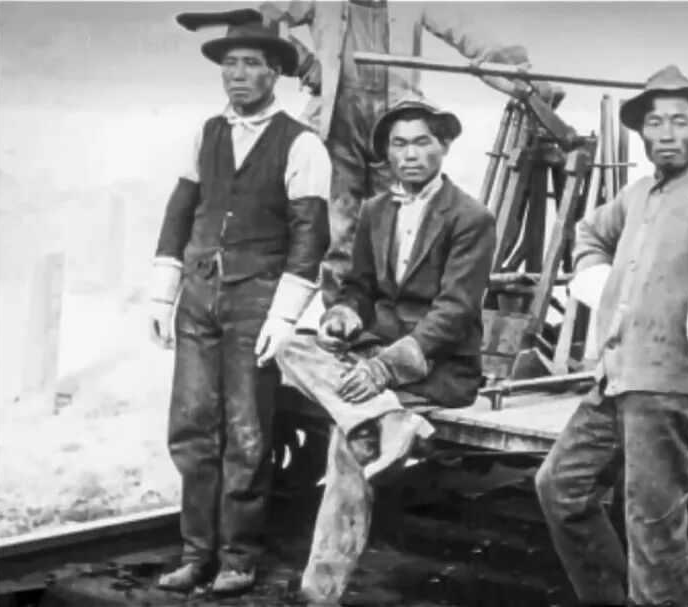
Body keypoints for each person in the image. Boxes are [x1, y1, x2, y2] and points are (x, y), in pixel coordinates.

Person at [534, 65, 688, 606]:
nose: (665, 133)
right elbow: (589, 232)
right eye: (655, 122)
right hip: (615, 381)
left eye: (679, 121)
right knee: (560, 487)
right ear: (642, 131)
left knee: (652, 529)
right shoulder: (639, 193)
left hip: (668, 392)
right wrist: (599, 282)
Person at [273, 95, 496, 604]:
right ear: (387, 154)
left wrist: (383, 369)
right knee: (290, 348)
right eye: (398, 144)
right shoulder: (374, 210)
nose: (410, 154)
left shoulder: (471, 217)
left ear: (444, 147)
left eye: (422, 142)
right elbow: (358, 288)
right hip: (372, 357)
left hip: (438, 366)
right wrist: (344, 316)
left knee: (349, 436)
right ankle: (390, 418)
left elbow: (455, 312)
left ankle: (321, 590)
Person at [146, 8, 331, 594]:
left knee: (248, 435)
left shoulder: (302, 144)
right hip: (199, 297)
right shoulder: (205, 134)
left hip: (256, 301)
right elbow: (179, 216)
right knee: (191, 429)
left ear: (275, 72)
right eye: (230, 64)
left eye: (251, 64)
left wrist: (284, 315)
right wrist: (163, 295)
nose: (238, 75)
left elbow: (310, 238)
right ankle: (195, 554)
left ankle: (238, 559)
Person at [258, 0, 540, 307]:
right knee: (339, 231)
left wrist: (508, 64)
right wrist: (305, 65)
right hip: (338, 122)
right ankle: (341, 317)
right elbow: (265, 19)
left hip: (394, 124)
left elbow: (461, 29)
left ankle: (390, 318)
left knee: (397, 227)